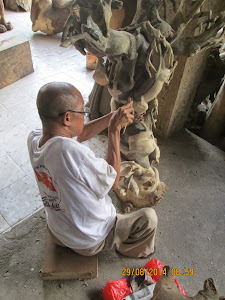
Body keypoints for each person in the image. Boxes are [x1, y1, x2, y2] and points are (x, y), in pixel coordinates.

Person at [27, 82, 158, 258]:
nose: (84, 115)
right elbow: (113, 181)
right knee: (149, 218)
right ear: (67, 118)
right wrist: (114, 130)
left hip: (58, 232)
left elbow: (79, 133)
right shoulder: (72, 152)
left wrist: (113, 117)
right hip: (88, 241)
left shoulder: (35, 140)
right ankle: (129, 249)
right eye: (82, 111)